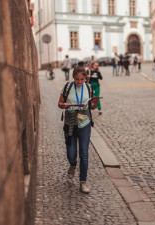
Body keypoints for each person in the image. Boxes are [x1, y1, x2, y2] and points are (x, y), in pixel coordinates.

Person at [58, 62, 98, 194]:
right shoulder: (67, 86)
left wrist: (93, 104)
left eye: (82, 79)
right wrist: (64, 105)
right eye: (77, 79)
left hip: (84, 122)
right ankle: (73, 165)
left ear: (86, 78)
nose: (79, 82)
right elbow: (59, 103)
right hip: (70, 123)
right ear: (73, 78)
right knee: (71, 154)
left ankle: (83, 182)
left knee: (84, 154)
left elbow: (93, 107)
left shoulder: (90, 88)